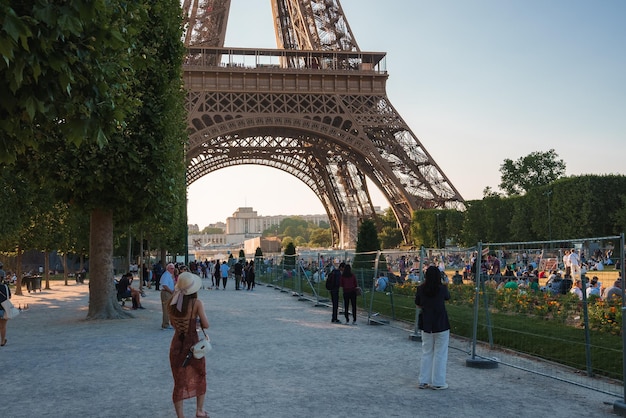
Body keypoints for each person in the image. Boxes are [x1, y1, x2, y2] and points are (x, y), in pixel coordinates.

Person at [167, 272, 210, 418]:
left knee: (178, 381)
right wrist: (195, 322)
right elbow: (206, 324)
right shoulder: (196, 303)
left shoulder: (171, 303)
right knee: (200, 375)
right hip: (193, 345)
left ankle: (180, 416)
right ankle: (199, 410)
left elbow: (173, 324)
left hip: (177, 345)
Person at [415, 265, 450, 390]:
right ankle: (438, 382)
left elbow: (418, 304)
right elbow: (447, 298)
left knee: (427, 352)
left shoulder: (420, 289)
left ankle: (423, 380)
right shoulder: (442, 289)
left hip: (426, 322)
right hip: (441, 322)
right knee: (440, 353)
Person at [160, 263, 176, 329]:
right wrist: (171, 291)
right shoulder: (166, 275)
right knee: (166, 309)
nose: (173, 270)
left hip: (169, 292)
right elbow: (164, 285)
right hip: (166, 293)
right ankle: (165, 324)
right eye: (171, 268)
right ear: (168, 268)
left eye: (173, 268)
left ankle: (168, 323)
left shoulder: (170, 275)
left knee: (169, 309)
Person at [0, 280, 11, 346]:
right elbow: (9, 297)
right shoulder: (5, 287)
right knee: (3, 326)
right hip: (4, 308)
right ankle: (2, 340)